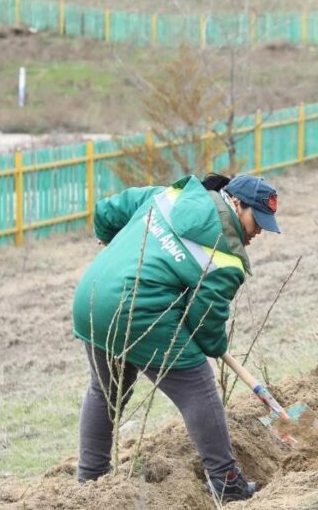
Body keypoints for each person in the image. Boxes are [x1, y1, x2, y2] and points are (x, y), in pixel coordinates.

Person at [70, 173, 280, 502]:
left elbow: (106, 212)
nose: (259, 232)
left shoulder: (171, 195)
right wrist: (216, 344)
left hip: (92, 296)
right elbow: (204, 325)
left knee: (106, 389)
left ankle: (90, 479)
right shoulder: (226, 258)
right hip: (139, 311)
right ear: (237, 203)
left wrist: (112, 241)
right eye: (258, 221)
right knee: (198, 389)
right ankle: (227, 483)